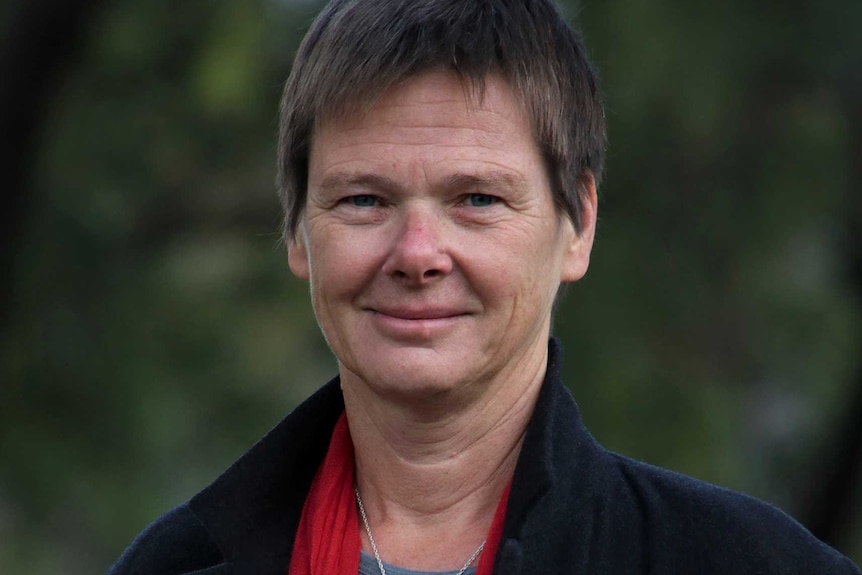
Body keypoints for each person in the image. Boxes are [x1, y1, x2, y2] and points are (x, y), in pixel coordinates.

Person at [107, 0, 861, 574]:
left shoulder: (739, 562)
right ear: (298, 231)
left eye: (477, 199)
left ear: (578, 225)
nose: (417, 254)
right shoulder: (174, 564)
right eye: (364, 199)